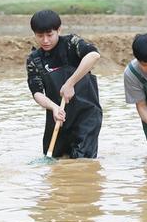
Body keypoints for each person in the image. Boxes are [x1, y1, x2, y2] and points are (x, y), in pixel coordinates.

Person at [26, 10, 102, 158]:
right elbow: (37, 93)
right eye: (40, 36)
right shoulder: (34, 60)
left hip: (86, 115)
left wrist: (70, 83)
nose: (45, 40)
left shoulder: (71, 44)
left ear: (59, 30)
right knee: (54, 159)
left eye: (49, 35)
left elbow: (94, 55)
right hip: (57, 116)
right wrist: (54, 107)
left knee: (82, 163)